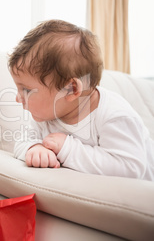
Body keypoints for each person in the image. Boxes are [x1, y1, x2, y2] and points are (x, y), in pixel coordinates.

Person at [9, 19, 154, 181]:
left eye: (26, 90)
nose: (18, 98)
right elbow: (22, 139)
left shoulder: (115, 115)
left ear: (71, 89)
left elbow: (131, 168)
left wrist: (68, 149)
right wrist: (33, 147)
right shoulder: (45, 115)